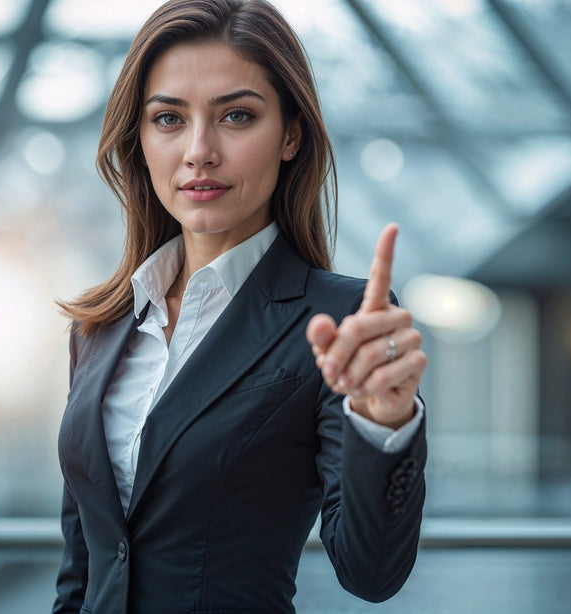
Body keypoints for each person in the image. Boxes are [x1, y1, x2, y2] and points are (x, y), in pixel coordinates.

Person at [53, 1, 427, 612]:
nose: (199, 151)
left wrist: (383, 421)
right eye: (169, 118)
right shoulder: (99, 328)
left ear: (291, 135)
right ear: (139, 140)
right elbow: (81, 570)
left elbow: (371, 572)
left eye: (236, 115)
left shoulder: (343, 323)